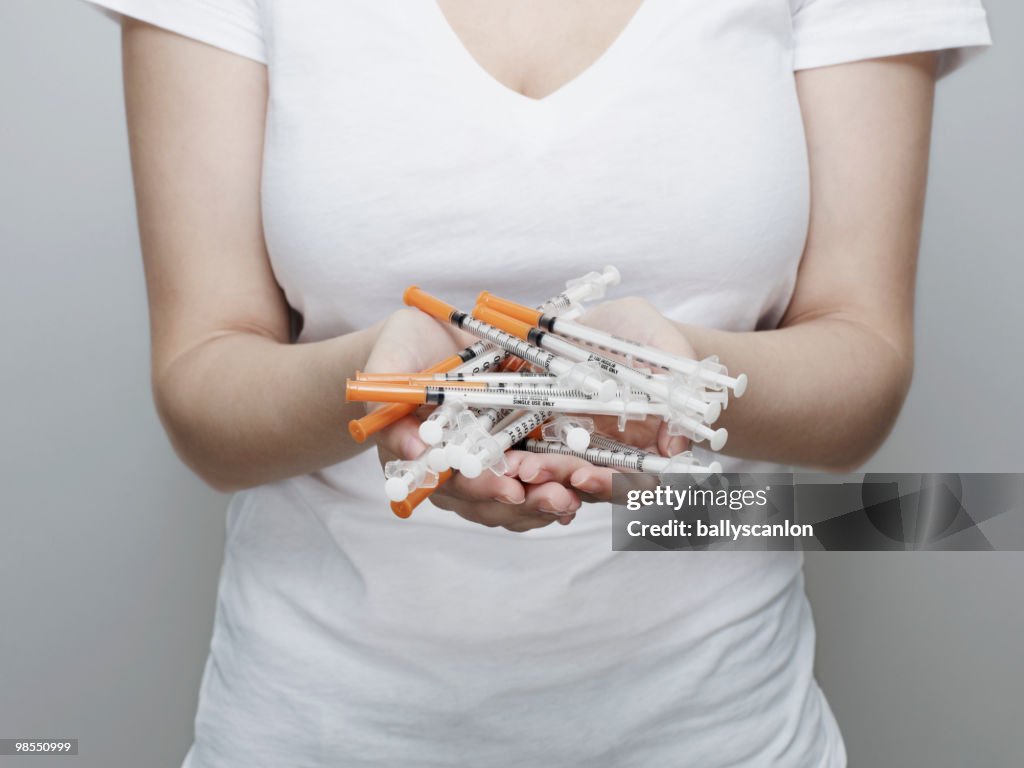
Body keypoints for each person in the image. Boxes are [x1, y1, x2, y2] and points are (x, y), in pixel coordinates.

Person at [83, 0, 991, 765]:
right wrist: (369, 389)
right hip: (313, 726)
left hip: (721, 726)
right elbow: (205, 390)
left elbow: (861, 373)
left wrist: (677, 376)